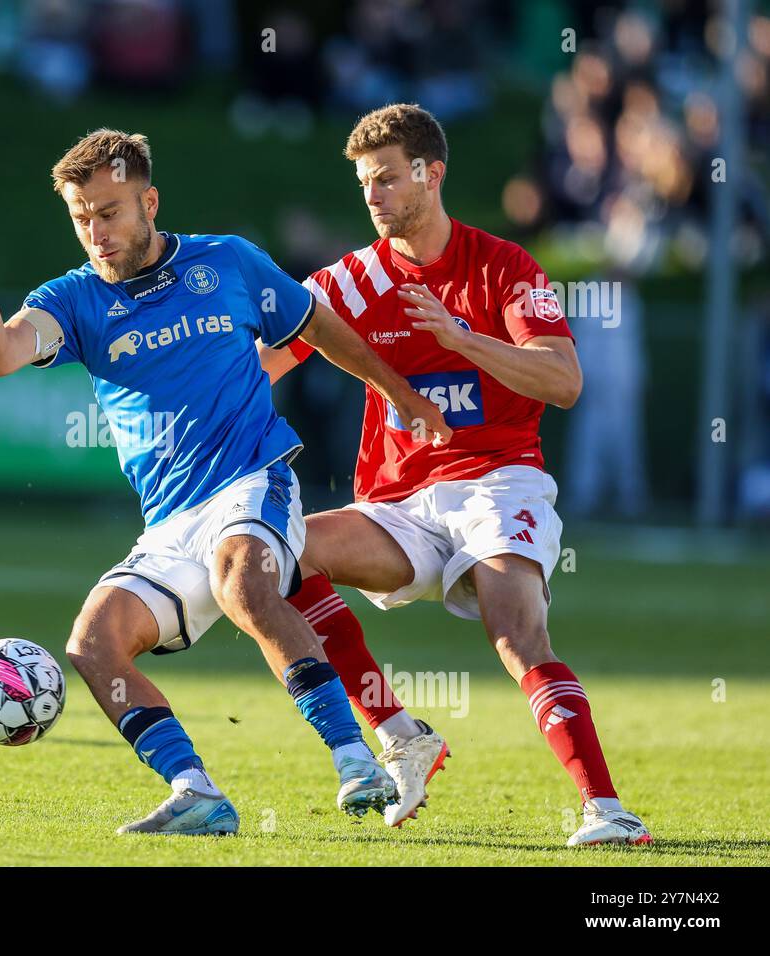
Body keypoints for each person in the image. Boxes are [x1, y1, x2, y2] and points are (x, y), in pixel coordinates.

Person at [0, 128, 450, 835]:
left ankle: (355, 757)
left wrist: (399, 393)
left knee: (244, 583)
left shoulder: (227, 261)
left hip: (252, 479)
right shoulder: (74, 299)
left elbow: (322, 329)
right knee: (93, 643)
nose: (96, 232)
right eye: (82, 218)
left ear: (149, 201)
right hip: (171, 523)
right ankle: (196, 791)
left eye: (109, 212)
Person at [260, 104, 652, 847]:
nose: (372, 196)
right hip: (398, 501)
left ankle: (608, 811)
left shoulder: (504, 267)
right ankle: (401, 736)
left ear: (431, 175)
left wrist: (461, 337)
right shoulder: (348, 281)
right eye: (363, 184)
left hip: (498, 482)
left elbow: (563, 381)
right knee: (280, 552)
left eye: (386, 179)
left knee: (515, 634)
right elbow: (266, 365)